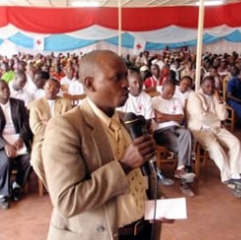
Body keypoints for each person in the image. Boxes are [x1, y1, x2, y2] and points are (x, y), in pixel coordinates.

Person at [41, 50, 164, 239]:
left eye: (126, 76)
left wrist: (157, 201)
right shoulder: (65, 127)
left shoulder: (127, 121)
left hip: (142, 230)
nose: (126, 84)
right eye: (117, 78)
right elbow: (67, 201)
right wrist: (124, 166)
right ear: (90, 84)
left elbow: (143, 178)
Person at [186, 76, 241, 192]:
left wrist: (219, 100)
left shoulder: (215, 96)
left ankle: (236, 175)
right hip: (200, 130)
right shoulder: (195, 96)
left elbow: (223, 116)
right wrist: (218, 120)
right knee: (215, 147)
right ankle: (229, 178)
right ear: (201, 86)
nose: (210, 89)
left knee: (235, 142)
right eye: (207, 86)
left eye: (212, 87)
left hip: (217, 128)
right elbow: (201, 117)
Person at [0, 80, 33, 210]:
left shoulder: (19, 104)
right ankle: (3, 193)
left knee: (29, 158)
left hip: (17, 140)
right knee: (6, 160)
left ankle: (17, 185)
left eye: (7, 88)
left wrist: (21, 138)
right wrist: (5, 145)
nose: (6, 90)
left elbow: (26, 124)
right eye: (2, 89)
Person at [152, 79, 196, 197]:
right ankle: (184, 183)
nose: (170, 95)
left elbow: (180, 118)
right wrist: (172, 117)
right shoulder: (154, 101)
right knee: (186, 147)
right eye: (168, 92)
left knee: (187, 133)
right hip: (162, 132)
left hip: (177, 129)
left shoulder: (176, 100)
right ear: (162, 89)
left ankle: (181, 168)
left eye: (172, 92)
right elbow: (157, 119)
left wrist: (164, 115)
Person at [29, 78, 73, 185]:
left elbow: (70, 124)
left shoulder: (65, 103)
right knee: (36, 160)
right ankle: (51, 185)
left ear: (58, 90)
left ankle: (65, 184)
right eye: (48, 87)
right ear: (44, 88)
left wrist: (48, 123)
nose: (51, 90)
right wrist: (57, 124)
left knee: (71, 158)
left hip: (62, 139)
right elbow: (36, 128)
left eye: (55, 88)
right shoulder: (35, 105)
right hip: (42, 140)